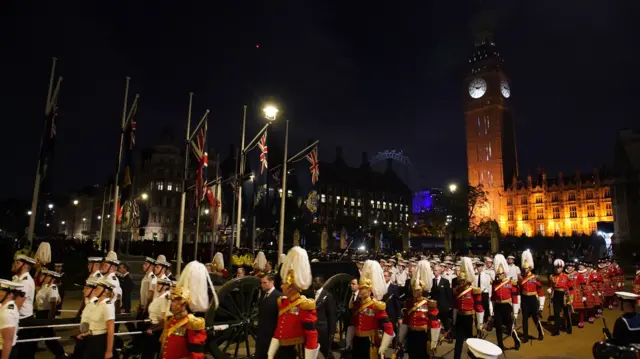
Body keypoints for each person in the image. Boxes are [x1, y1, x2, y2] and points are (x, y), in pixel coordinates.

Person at [267, 246, 319, 359]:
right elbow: (279, 329)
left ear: (291, 287)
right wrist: (270, 353)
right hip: (282, 351)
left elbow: (311, 335)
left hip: (295, 352)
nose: (281, 286)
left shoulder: (304, 305)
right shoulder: (283, 302)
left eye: (283, 283)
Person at [345, 260, 394, 359]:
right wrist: (348, 341)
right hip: (357, 340)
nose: (361, 291)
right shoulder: (357, 305)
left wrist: (383, 347)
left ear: (370, 290)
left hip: (370, 341)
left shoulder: (375, 306)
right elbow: (353, 323)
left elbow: (389, 328)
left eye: (364, 289)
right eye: (361, 288)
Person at [398, 259, 438, 359]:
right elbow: (406, 319)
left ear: (422, 291)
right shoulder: (409, 302)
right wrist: (400, 339)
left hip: (423, 335)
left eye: (418, 290)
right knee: (412, 355)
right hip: (411, 333)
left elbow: (433, 322)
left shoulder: (428, 303)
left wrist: (433, 342)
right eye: (414, 290)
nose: (415, 292)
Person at [159, 286, 207, 359]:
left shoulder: (192, 322)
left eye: (173, 301)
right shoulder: (170, 320)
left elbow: (197, 354)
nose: (170, 304)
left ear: (183, 303)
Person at [453, 257, 484, 359]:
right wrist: (454, 320)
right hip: (460, 317)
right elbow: (456, 306)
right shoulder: (457, 290)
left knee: (471, 342)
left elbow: (478, 307)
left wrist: (479, 323)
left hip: (470, 318)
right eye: (460, 280)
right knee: (459, 341)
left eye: (463, 280)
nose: (461, 282)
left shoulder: (473, 290)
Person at [34, 270, 67, 358]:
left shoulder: (52, 288)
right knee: (47, 338)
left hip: (45, 314)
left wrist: (49, 319)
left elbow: (53, 305)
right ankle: (61, 354)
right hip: (39, 313)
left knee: (49, 339)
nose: (42, 277)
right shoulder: (44, 287)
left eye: (46, 276)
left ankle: (61, 354)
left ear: (52, 279)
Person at [490, 254, 520, 351]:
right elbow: (493, 298)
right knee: (498, 327)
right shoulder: (494, 284)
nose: (500, 276)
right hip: (498, 306)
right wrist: (492, 310)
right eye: (498, 274)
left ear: (505, 274)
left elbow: (515, 297)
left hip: (507, 306)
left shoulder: (510, 283)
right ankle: (500, 345)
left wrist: (515, 311)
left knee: (509, 326)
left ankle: (516, 341)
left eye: (502, 274)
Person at [81, 278, 116, 359]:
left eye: (98, 288)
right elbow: (95, 323)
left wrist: (109, 351)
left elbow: (111, 330)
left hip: (100, 341)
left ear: (105, 292)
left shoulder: (107, 306)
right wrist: (87, 333)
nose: (95, 290)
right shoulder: (97, 304)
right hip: (91, 339)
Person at [11, 254, 36, 359]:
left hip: (23, 320)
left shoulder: (25, 282)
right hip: (19, 318)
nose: (15, 264)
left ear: (25, 266)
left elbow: (17, 305)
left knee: (23, 353)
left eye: (18, 263)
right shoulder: (17, 279)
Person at [142, 279, 172, 359]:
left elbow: (165, 318)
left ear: (166, 286)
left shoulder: (164, 298)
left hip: (156, 329)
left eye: (160, 284)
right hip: (151, 325)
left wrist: (153, 329)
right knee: (147, 352)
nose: (157, 286)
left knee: (150, 353)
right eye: (157, 284)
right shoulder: (159, 296)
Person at [518, 250, 544, 342]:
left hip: (533, 299)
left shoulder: (534, 277)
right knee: (524, 319)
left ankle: (540, 333)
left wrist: (541, 305)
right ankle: (525, 337)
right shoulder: (521, 278)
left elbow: (540, 291)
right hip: (525, 299)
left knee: (535, 318)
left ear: (530, 268)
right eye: (524, 268)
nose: (524, 270)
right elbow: (519, 290)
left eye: (526, 268)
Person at [70, 279, 100, 359]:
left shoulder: (95, 305)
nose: (83, 290)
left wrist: (84, 334)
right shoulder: (89, 303)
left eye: (86, 288)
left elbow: (97, 325)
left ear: (94, 290)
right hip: (84, 336)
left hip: (90, 339)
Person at [255, 273, 282, 359]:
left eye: (264, 282)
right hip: (261, 333)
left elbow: (280, 318)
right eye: (261, 283)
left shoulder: (279, 297)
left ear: (272, 282)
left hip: (271, 335)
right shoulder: (264, 294)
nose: (262, 285)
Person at [312, 276, 337, 359]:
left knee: (326, 350)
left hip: (323, 328)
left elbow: (331, 314)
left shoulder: (327, 295)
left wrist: (332, 331)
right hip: (312, 328)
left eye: (317, 281)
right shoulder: (310, 294)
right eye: (314, 281)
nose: (315, 283)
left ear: (322, 283)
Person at [0, 279, 24, 359]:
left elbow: (8, 340)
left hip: (4, 352)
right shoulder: (4, 306)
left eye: (0, 290)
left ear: (9, 294)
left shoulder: (8, 313)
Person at [549, 258, 573, 336]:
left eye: (559, 267)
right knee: (556, 313)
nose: (557, 269)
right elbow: (552, 286)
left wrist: (571, 299)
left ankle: (569, 328)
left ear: (562, 268)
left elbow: (571, 288)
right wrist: (550, 292)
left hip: (564, 296)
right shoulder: (552, 276)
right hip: (556, 295)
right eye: (556, 267)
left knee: (566, 313)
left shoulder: (567, 276)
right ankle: (556, 330)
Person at [431, 263, 452, 335]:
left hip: (443, 305)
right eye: (434, 270)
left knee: (445, 321)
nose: (435, 272)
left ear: (440, 271)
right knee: (434, 321)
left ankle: (449, 335)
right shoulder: (432, 281)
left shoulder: (445, 281)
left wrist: (449, 305)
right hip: (435, 306)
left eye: (436, 270)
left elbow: (448, 294)